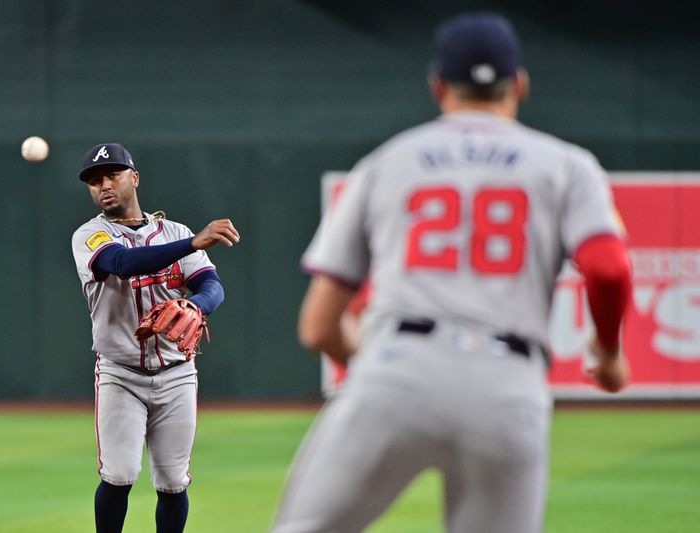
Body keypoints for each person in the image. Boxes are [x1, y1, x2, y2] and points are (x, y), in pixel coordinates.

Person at [272, 12, 632, 533]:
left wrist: (381, 369)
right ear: (521, 84)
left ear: (437, 85)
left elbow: (319, 327)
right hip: (509, 386)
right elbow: (609, 268)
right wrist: (610, 352)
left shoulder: (387, 162)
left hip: (397, 369)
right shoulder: (568, 165)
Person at [71, 143, 240, 533]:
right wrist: (192, 243)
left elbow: (211, 285)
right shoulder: (90, 235)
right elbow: (121, 263)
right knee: (120, 474)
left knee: (172, 480)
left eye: (112, 174)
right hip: (120, 373)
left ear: (135, 177)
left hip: (177, 374)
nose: (103, 185)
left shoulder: (174, 230)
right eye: (94, 181)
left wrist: (197, 307)